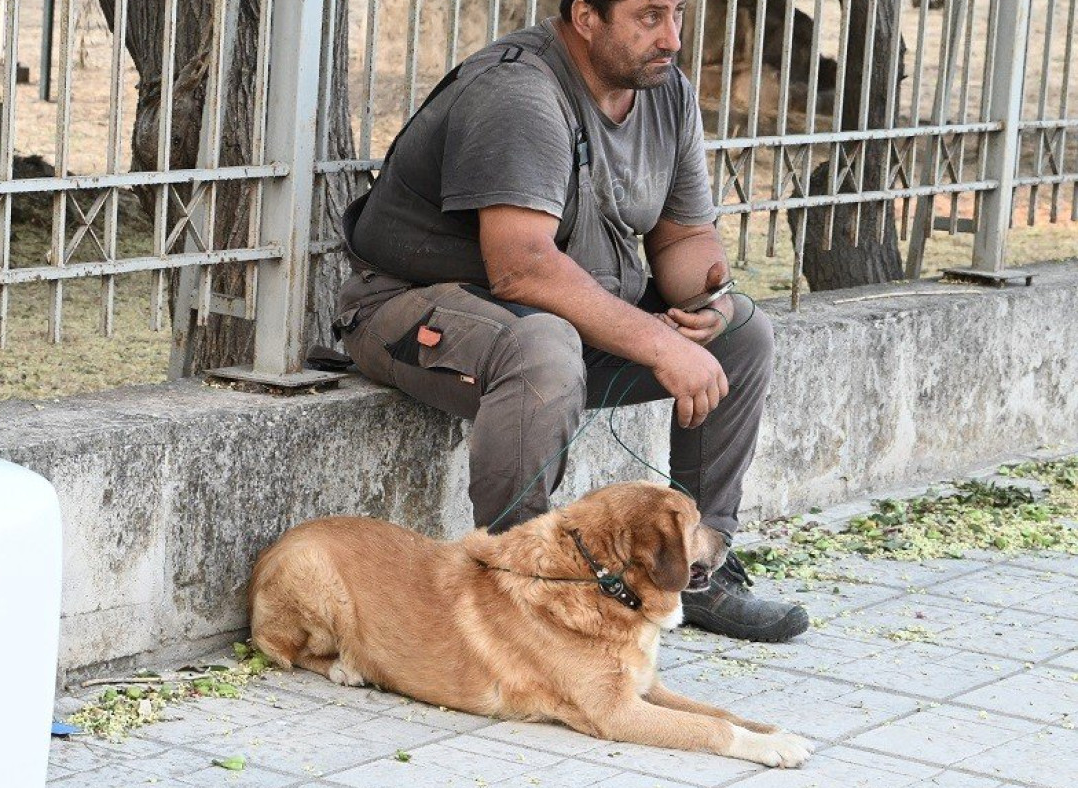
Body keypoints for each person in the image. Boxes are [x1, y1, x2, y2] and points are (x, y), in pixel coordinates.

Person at [334, 0, 807, 642]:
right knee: (543, 350)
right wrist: (659, 345)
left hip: (556, 312)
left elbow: (682, 238)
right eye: (648, 17)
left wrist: (713, 301)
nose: (672, 39)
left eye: (678, 13)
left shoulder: (664, 91)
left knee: (743, 334)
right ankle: (516, 585)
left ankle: (694, 571)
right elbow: (521, 268)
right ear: (585, 16)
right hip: (409, 311)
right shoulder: (519, 92)